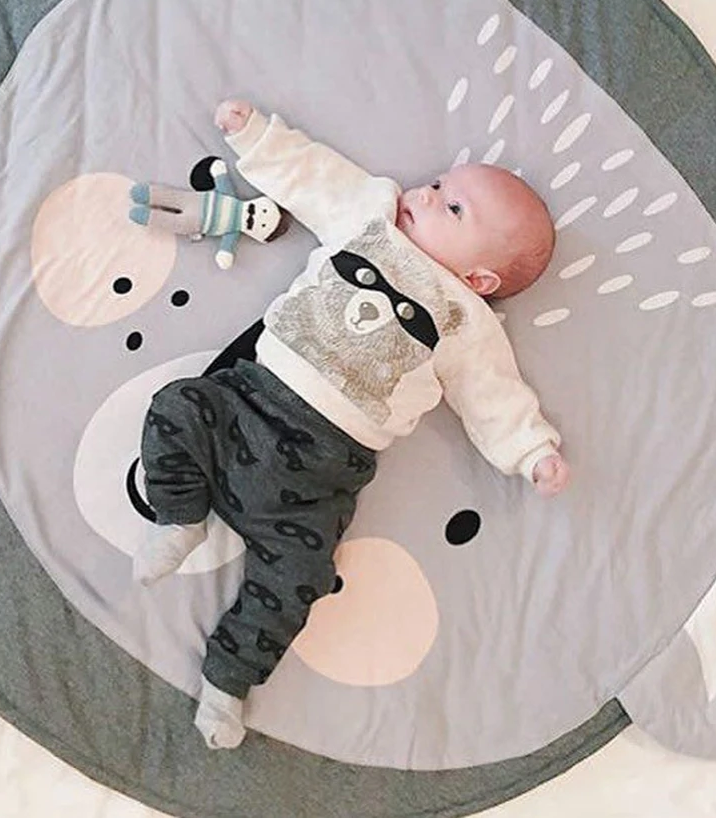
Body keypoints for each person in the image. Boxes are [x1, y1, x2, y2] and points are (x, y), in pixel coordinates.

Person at [133, 99, 571, 749]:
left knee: (300, 577)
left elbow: (493, 395)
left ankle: (227, 681)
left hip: (318, 476)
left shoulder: (466, 323)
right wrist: (256, 136)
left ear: (480, 278)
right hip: (246, 402)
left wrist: (532, 451)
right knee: (176, 406)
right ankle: (181, 515)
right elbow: (313, 176)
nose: (427, 193)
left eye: (453, 208)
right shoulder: (371, 215)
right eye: (439, 184)